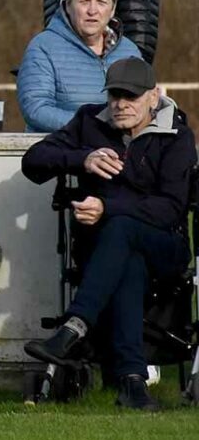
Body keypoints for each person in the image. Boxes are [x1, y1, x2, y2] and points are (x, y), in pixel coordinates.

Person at [21, 58, 195, 411]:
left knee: (122, 227)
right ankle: (132, 384)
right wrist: (81, 159)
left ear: (154, 96)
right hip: (105, 252)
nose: (120, 104)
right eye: (114, 95)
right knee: (127, 261)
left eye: (130, 96)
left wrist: (107, 208)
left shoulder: (177, 135)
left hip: (164, 246)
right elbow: (33, 161)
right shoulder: (89, 122)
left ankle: (75, 325)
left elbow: (171, 209)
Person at [18, 0, 141, 133]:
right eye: (84, 1)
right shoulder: (43, 47)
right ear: (68, 6)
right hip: (59, 152)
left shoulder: (129, 51)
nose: (92, 10)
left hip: (118, 151)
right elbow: (36, 109)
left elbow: (144, 104)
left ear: (112, 9)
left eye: (101, 2)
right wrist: (94, 126)